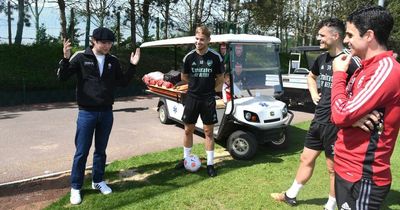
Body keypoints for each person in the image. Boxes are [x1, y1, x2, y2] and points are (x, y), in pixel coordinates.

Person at [271, 18, 361, 210]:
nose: (318, 38)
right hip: (318, 120)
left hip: (336, 125)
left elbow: (363, 91)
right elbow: (311, 77)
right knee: (306, 158)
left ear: (335, 36)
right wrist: (313, 93)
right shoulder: (321, 59)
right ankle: (290, 195)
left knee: (332, 168)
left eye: (321, 35)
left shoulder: (350, 62)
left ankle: (330, 205)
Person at [57, 27, 141, 205]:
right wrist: (65, 58)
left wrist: (133, 66)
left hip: (106, 112)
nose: (107, 46)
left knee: (101, 151)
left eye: (110, 43)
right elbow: (62, 77)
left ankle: (98, 181)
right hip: (86, 113)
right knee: (81, 152)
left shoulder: (113, 60)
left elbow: (123, 83)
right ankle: (76, 186)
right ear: (93, 41)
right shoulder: (81, 57)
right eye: (103, 42)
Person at [331, 6, 400, 209]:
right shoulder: (363, 66)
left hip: (363, 175)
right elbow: (338, 110)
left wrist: (338, 75)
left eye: (350, 34)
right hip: (346, 167)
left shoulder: (386, 70)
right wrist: (351, 116)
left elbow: (341, 113)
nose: (345, 40)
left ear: (369, 35)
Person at [175, 25, 224, 177]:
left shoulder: (216, 57)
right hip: (192, 98)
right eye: (196, 39)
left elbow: (220, 79)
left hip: (208, 99)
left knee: (208, 132)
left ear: (209, 40)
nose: (198, 42)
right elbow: (184, 77)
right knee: (188, 130)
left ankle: (210, 164)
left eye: (202, 39)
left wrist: (209, 90)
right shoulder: (189, 57)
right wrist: (195, 86)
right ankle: (185, 160)